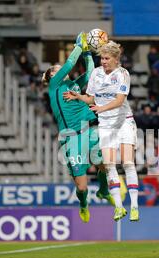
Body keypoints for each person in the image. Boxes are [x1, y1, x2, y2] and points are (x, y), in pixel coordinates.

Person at [41, 32, 115, 223]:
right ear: (51, 76)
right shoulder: (54, 87)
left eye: (59, 69)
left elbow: (90, 74)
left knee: (105, 164)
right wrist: (78, 46)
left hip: (88, 131)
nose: (60, 70)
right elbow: (69, 65)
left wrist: (88, 54)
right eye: (55, 69)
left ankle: (103, 191)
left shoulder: (73, 86)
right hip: (71, 138)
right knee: (81, 187)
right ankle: (83, 204)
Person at [64, 41, 140, 222]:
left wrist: (101, 108)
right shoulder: (97, 74)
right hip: (105, 125)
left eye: (106, 58)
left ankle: (135, 206)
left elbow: (120, 100)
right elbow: (91, 98)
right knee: (110, 165)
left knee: (128, 163)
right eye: (101, 58)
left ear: (115, 59)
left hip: (124, 122)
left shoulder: (123, 74)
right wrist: (79, 96)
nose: (103, 62)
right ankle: (119, 208)